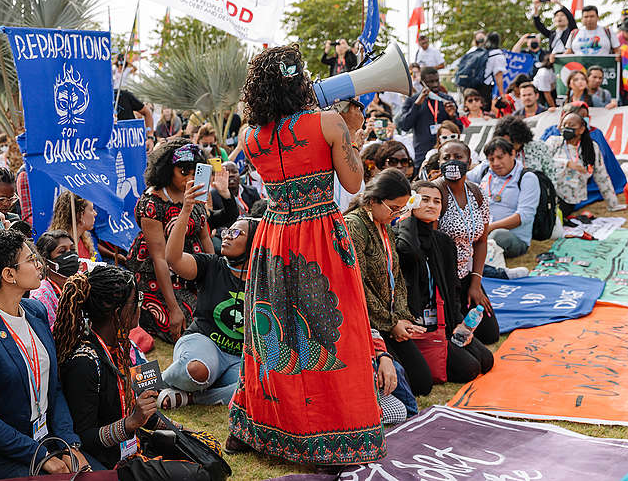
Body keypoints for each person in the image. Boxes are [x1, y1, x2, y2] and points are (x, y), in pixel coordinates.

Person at [228, 45, 390, 466]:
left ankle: (258, 425)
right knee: (333, 331)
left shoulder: (250, 136)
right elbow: (354, 183)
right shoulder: (331, 122)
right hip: (319, 235)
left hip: (274, 235)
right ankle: (330, 431)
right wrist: (352, 132)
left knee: (273, 332)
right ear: (301, 82)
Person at [0, 229, 92, 479]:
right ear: (9, 275)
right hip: (1, 458)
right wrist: (40, 456)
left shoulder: (35, 310)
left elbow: (54, 389)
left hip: (48, 442)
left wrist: (69, 444)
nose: (39, 264)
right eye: (31, 259)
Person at [158, 176, 257, 409]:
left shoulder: (263, 280)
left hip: (238, 358)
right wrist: (186, 211)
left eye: (237, 234)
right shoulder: (212, 265)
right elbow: (172, 259)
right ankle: (158, 384)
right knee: (197, 371)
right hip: (204, 344)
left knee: (255, 387)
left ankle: (190, 398)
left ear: (253, 243)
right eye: (228, 231)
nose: (227, 236)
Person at [56, 266, 159, 469]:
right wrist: (129, 423)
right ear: (117, 311)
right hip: (105, 461)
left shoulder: (120, 346)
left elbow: (137, 409)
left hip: (129, 449)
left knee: (204, 455)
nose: (140, 308)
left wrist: (178, 429)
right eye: (135, 302)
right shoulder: (84, 363)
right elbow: (83, 438)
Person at [395, 182, 494, 384]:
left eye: (437, 201)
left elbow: (452, 288)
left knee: (486, 360)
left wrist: (458, 324)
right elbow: (410, 252)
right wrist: (407, 217)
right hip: (416, 325)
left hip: (442, 321)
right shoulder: (401, 236)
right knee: (469, 369)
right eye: (424, 199)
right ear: (412, 201)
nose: (431, 205)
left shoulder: (443, 242)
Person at [345, 170, 432, 395]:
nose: (397, 214)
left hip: (390, 318)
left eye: (402, 209)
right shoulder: (355, 226)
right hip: (368, 323)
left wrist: (402, 317)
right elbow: (357, 285)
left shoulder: (383, 225)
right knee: (410, 385)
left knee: (423, 381)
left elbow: (397, 276)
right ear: (373, 201)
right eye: (394, 208)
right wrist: (391, 323)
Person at [128, 139, 217, 343]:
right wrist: (173, 309)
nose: (190, 176)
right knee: (188, 323)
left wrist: (215, 280)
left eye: (195, 170)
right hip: (159, 277)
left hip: (192, 269)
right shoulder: (152, 204)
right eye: (183, 171)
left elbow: (205, 238)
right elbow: (159, 258)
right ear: (168, 169)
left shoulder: (196, 194)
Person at [435, 140, 499, 345]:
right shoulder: (435, 194)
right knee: (457, 339)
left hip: (468, 276)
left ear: (469, 162)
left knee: (490, 335)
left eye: (458, 157)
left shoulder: (477, 193)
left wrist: (475, 283)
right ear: (439, 163)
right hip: (443, 280)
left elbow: (481, 240)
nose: (452, 162)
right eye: (447, 158)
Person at [468, 138, 541, 259]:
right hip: (482, 230)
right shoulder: (486, 170)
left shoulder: (527, 177)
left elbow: (524, 216)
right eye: (491, 159)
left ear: (512, 154)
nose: (496, 163)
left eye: (500, 157)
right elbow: (464, 180)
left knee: (497, 236)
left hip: (512, 237)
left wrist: (489, 228)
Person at [545, 113, 621, 216]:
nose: (566, 128)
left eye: (571, 126)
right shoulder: (554, 142)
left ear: (581, 129)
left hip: (570, 199)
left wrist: (613, 204)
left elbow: (601, 176)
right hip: (550, 193)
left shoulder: (591, 147)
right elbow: (543, 162)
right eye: (564, 125)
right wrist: (566, 163)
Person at [397, 66, 454, 160]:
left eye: (437, 80)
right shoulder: (412, 100)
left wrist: (453, 116)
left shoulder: (447, 100)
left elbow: (459, 129)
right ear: (422, 82)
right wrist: (417, 105)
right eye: (431, 82)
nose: (435, 84)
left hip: (446, 152)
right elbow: (404, 126)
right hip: (422, 153)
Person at [31, 230, 78, 328]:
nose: (70, 255)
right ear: (45, 260)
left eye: (72, 250)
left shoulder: (80, 283)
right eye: (62, 251)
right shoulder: (40, 296)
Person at [49, 191, 100, 263]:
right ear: (80, 215)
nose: (95, 213)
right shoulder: (60, 248)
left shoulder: (85, 241)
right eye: (91, 210)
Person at [482, 32, 508, 103]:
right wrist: (502, 95)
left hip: (473, 85)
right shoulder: (498, 55)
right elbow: (498, 75)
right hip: (485, 88)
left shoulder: (482, 52)